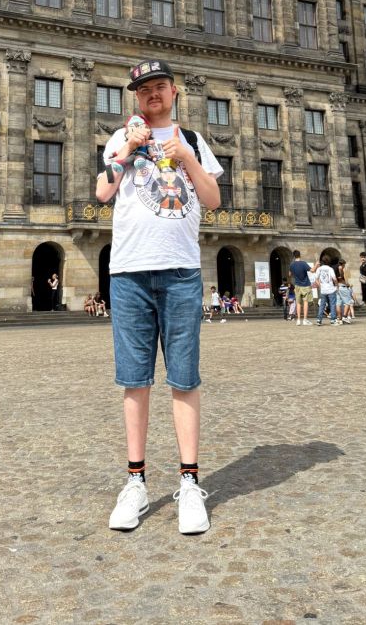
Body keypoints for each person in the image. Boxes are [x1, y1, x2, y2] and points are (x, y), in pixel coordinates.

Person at [96, 58, 222, 534]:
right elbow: (103, 191)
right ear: (136, 97)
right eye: (144, 89)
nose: (153, 94)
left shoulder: (194, 141)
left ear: (174, 92)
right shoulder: (121, 138)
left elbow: (212, 199)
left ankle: (189, 483)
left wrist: (186, 156)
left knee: (184, 379)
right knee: (135, 381)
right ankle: (136, 482)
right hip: (129, 272)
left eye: (160, 86)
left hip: (181, 273)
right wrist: (128, 149)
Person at [288, 250, 313, 326]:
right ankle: (305, 319)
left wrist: (295, 274)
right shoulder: (303, 263)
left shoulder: (292, 265)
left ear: (294, 256)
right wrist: (317, 265)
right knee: (305, 302)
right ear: (300, 255)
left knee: (298, 303)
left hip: (297, 285)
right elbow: (312, 270)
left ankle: (298, 320)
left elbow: (289, 274)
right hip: (305, 285)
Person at [315, 257, 340, 326]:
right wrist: (337, 286)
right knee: (332, 304)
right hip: (331, 289)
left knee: (322, 305)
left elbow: (316, 279)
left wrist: (320, 286)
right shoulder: (330, 269)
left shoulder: (319, 269)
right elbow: (334, 278)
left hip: (323, 290)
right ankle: (333, 320)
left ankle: (319, 320)